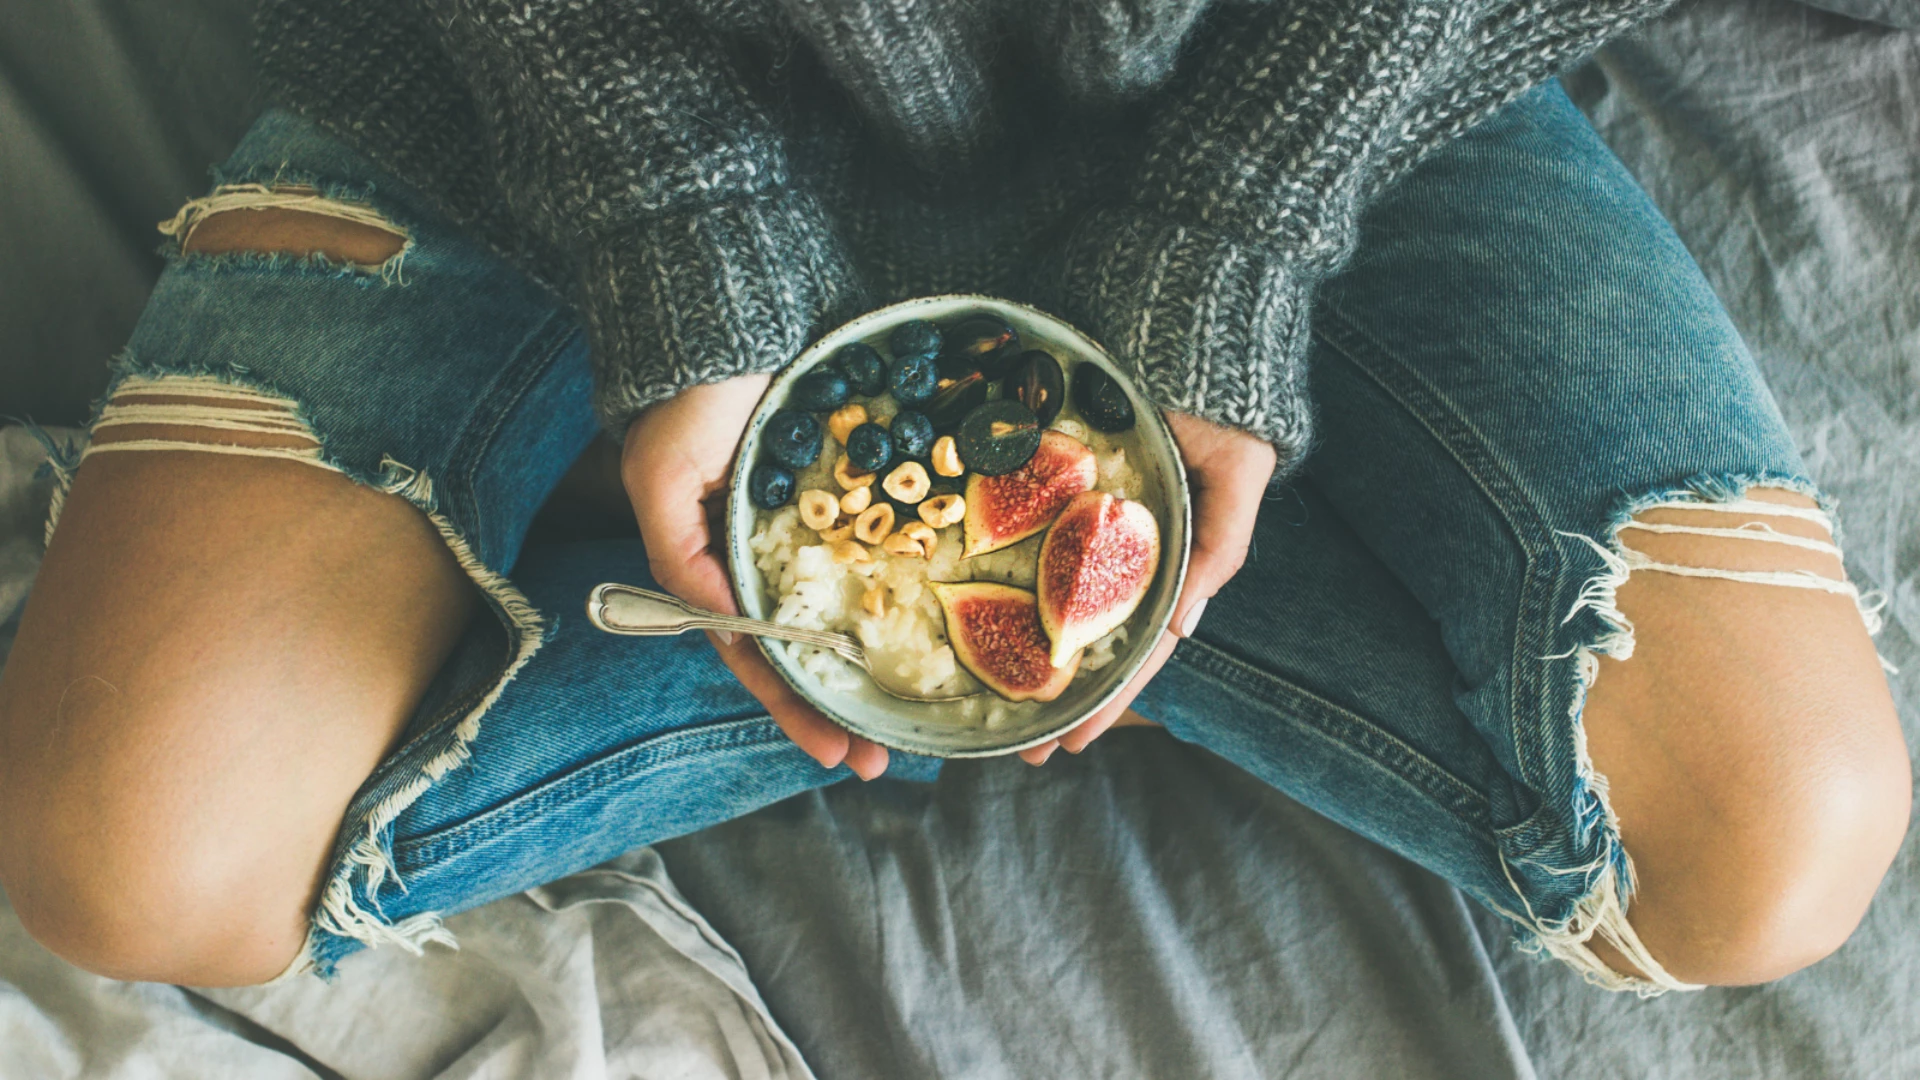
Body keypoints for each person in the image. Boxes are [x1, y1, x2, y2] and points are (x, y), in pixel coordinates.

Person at [0, 0, 1907, 997]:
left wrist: (1246, 216)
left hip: (1310, 76)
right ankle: (1071, 610)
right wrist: (673, 225)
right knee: (128, 855)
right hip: (545, 90)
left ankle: (1039, 612)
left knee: (1761, 849)